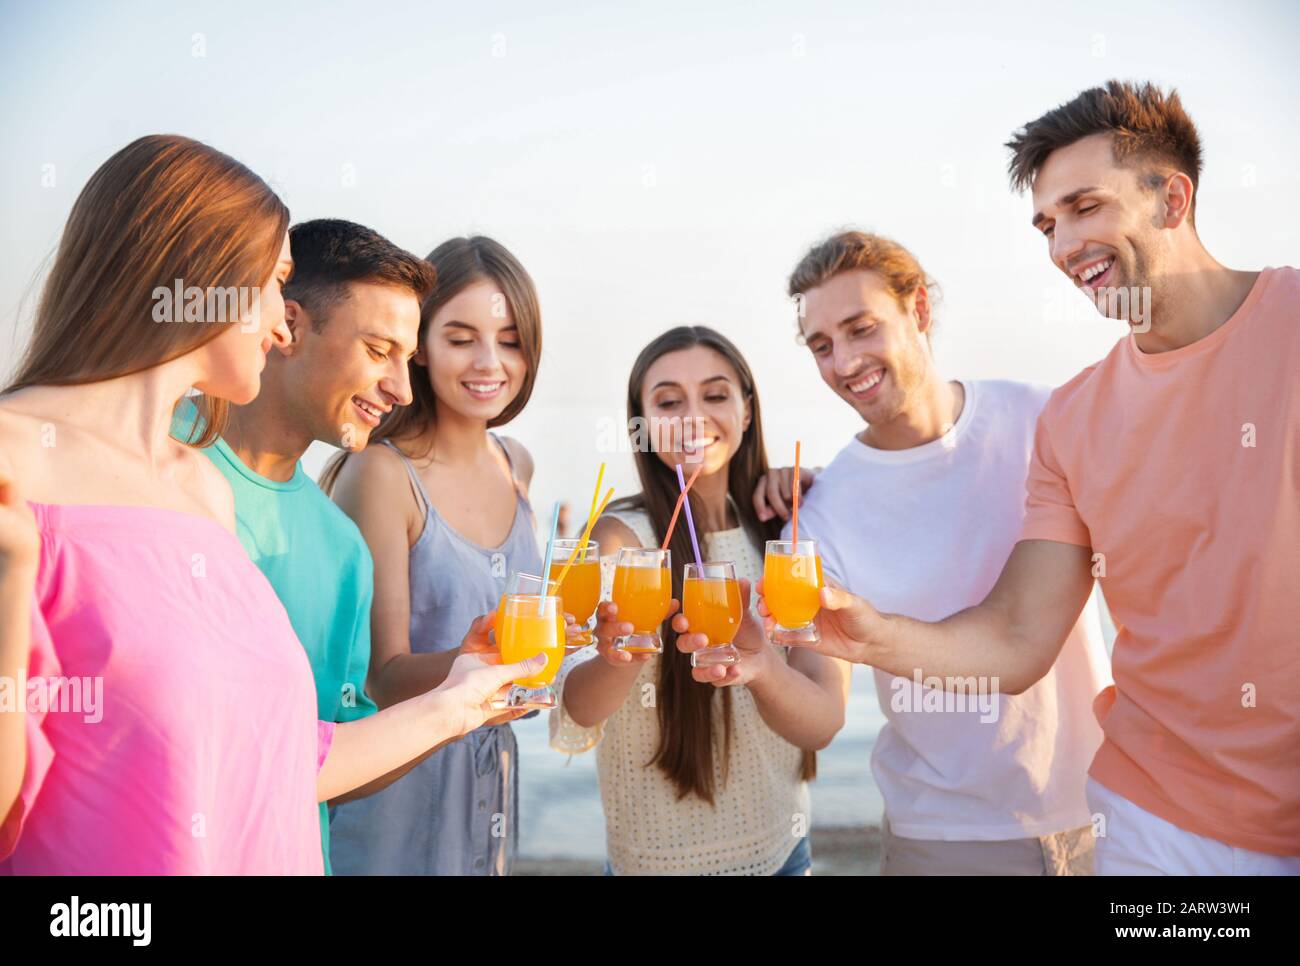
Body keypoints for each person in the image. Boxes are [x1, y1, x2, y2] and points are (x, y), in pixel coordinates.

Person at [765, 81, 1300, 874]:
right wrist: (876, 637)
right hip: (1148, 823)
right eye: (1048, 224)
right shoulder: (1074, 419)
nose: (1062, 245)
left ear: (1173, 197)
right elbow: (1017, 637)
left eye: (1086, 207)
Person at [0, 135, 541, 874]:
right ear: (197, 277)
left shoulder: (201, 491)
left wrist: (461, 698)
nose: (280, 320)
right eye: (273, 281)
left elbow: (289, 760)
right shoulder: (15, 459)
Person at [753, 231, 1111, 875]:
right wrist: (756, 665)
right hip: (946, 838)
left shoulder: (1043, 419)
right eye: (821, 346)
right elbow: (822, 715)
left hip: (1107, 808)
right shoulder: (821, 515)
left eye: (861, 328)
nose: (843, 361)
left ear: (918, 310)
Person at [171, 218, 521, 874]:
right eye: (378, 350)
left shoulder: (342, 549)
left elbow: (337, 766)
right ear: (289, 325)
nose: (402, 389)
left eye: (405, 358)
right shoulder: (153, 451)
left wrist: (463, 697)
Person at [553, 326, 850, 876]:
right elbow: (576, 707)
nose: (693, 416)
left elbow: (822, 722)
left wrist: (761, 669)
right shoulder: (620, 541)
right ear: (640, 425)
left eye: (715, 395)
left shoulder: (788, 537)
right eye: (668, 401)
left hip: (784, 855)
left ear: (746, 409)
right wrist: (619, 658)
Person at [324, 236, 545, 875]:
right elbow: (382, 677)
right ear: (420, 349)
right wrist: (478, 662)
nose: (489, 362)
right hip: (398, 786)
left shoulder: (516, 464)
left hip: (489, 784)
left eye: (509, 339)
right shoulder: (382, 474)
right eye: (461, 337)